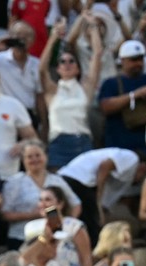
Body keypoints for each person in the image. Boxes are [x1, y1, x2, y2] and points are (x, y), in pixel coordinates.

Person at [40, 20, 101, 170]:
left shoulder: (85, 87)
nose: (67, 64)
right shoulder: (52, 90)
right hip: (59, 141)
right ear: (58, 68)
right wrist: (54, 37)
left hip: (82, 140)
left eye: (71, 61)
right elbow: (42, 68)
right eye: (62, 62)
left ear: (78, 68)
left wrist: (93, 28)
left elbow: (97, 55)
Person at [1, 139, 81, 247]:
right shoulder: (14, 182)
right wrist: (32, 215)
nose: (34, 159)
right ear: (23, 160)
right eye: (29, 157)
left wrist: (68, 223)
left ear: (46, 157)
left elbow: (75, 204)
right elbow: (5, 214)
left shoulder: (57, 180)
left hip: (53, 237)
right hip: (22, 237)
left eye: (38, 155)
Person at [97, 39, 146, 158]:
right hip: (119, 148)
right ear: (122, 61)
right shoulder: (111, 83)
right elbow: (105, 107)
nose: (138, 63)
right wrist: (134, 95)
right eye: (133, 60)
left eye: (140, 59)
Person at [0, 20, 42, 115]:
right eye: (18, 34)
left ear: (33, 40)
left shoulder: (37, 64)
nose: (22, 38)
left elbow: (39, 95)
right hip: (5, 110)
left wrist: (44, 124)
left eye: (27, 35)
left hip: (27, 112)